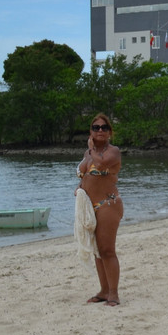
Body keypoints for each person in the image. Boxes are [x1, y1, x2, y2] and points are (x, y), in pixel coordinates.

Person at [76, 113, 123, 305]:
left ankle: (114, 293)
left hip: (108, 204)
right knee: (97, 250)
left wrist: (91, 149)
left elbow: (101, 164)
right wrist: (80, 188)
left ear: (110, 132)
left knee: (107, 250)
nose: (100, 130)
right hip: (91, 206)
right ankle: (103, 290)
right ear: (91, 131)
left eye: (104, 127)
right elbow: (85, 174)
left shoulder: (113, 151)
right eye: (96, 127)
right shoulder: (88, 154)